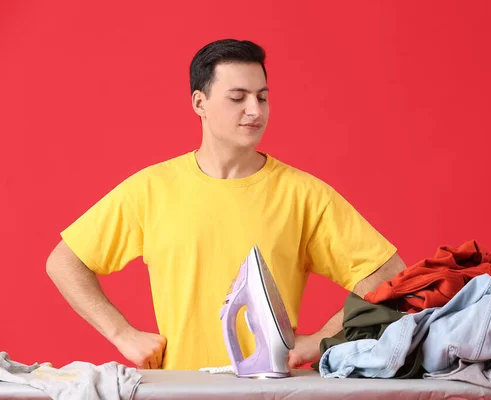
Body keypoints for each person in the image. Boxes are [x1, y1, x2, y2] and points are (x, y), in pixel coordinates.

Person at [46, 38, 407, 371]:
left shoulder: (304, 195)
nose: (255, 110)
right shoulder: (151, 189)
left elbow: (389, 274)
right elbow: (65, 262)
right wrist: (121, 333)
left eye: (262, 97)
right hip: (179, 390)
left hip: (267, 390)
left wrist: (319, 341)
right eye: (238, 97)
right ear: (199, 103)